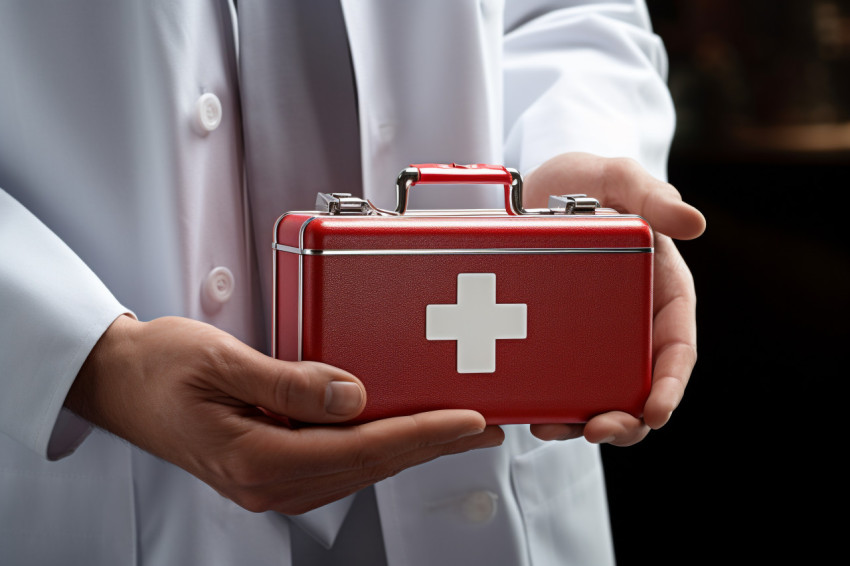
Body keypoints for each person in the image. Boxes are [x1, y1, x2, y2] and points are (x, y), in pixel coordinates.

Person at [0, 1, 705, 564]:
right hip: (117, 471)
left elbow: (566, 14)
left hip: (488, 481)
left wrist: (582, 214)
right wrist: (87, 359)